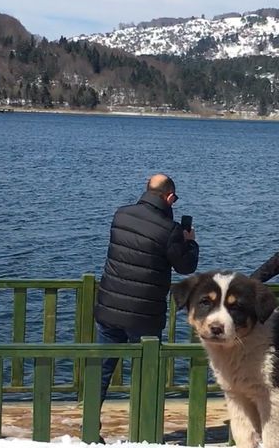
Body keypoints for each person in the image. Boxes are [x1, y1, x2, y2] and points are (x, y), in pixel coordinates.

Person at [94, 173, 198, 434]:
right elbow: (186, 266)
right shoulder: (170, 230)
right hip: (144, 315)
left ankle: (90, 427)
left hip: (109, 307)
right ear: (169, 197)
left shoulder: (121, 214)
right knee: (146, 373)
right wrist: (190, 242)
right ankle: (145, 432)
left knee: (102, 371)